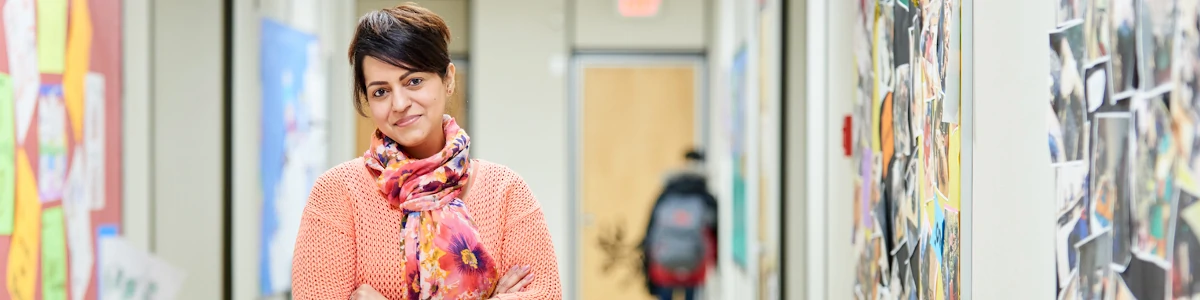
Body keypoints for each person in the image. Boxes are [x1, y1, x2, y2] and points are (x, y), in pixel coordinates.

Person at [291, 4, 561, 299]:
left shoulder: (506, 192)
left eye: (414, 81)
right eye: (381, 91)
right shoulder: (338, 194)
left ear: (448, 79)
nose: (399, 103)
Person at [640, 150, 718, 300]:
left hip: (664, 264)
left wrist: (647, 260)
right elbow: (715, 231)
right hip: (695, 264)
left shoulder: (666, 194)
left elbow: (651, 229)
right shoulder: (705, 196)